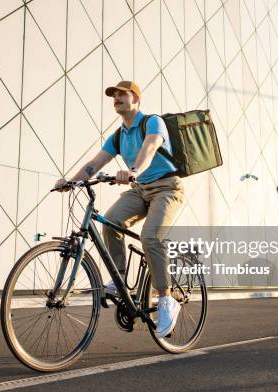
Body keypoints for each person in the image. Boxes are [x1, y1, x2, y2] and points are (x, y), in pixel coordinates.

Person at [54, 80, 185, 338]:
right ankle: (121, 278)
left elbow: (150, 148)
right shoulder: (118, 136)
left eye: (122, 94)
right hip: (141, 190)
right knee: (110, 221)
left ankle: (167, 300)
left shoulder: (152, 122)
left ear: (137, 100)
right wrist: (70, 181)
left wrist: (134, 170)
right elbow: (94, 163)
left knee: (150, 237)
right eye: (113, 95)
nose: (116, 97)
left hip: (167, 188)